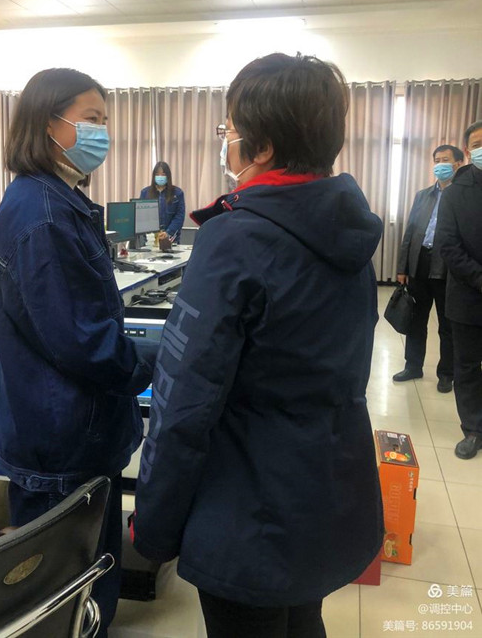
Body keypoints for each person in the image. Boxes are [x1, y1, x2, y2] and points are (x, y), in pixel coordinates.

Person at [131, 53, 384, 638]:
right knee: (302, 620)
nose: (226, 142)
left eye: (229, 129)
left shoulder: (235, 237)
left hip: (247, 509)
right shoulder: (346, 226)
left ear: (262, 147)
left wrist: (155, 524)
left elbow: (184, 403)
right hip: (326, 487)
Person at [0, 68, 157, 636]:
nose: (102, 132)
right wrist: (153, 365)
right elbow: (81, 340)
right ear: (47, 123)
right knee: (65, 597)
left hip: (67, 430)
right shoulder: (45, 216)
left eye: (105, 120)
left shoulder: (56, 200)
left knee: (88, 575)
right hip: (63, 440)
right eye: (90, 119)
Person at [393, 144, 464, 392]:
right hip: (420, 264)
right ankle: (413, 366)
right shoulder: (422, 195)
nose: (439, 165)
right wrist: (402, 267)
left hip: (448, 268)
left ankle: (446, 374)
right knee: (415, 319)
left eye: (445, 160)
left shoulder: (463, 196)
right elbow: (410, 232)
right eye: (436, 160)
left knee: (447, 325)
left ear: (458, 164)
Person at [436, 120, 482, 459]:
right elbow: (448, 246)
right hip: (468, 296)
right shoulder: (454, 193)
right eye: (478, 144)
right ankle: (474, 429)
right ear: (467, 151)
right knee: (466, 367)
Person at [140, 161, 185, 244]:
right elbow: (142, 216)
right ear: (154, 176)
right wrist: (152, 234)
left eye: (163, 174)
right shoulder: (145, 193)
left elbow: (179, 216)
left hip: (171, 240)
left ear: (168, 176)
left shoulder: (178, 193)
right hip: (151, 240)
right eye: (157, 174)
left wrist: (168, 232)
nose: (160, 177)